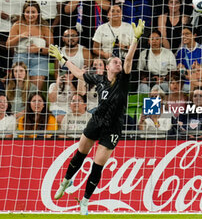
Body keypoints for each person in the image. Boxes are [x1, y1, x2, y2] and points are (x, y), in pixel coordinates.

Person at [49, 19, 144, 215]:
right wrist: (62, 59)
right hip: (96, 121)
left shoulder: (124, 80)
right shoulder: (99, 79)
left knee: (97, 166)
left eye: (119, 61)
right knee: (80, 154)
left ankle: (84, 201)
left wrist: (135, 39)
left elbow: (128, 60)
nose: (118, 62)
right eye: (114, 61)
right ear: (108, 67)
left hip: (113, 127)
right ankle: (66, 181)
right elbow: (78, 72)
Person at [6, 0, 54, 90]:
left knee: (34, 92)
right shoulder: (17, 25)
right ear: (23, 13)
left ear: (38, 13)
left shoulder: (44, 28)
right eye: (27, 12)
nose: (30, 15)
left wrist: (38, 50)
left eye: (33, 12)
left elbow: (52, 50)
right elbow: (8, 45)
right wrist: (20, 36)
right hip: (20, 59)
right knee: (19, 91)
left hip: (39, 60)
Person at [137, 29, 177, 94]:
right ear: (148, 41)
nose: (154, 41)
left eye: (157, 39)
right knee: (143, 87)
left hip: (165, 81)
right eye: (152, 39)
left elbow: (173, 73)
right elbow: (140, 72)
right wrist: (150, 79)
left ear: (161, 40)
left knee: (169, 87)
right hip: (149, 82)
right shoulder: (144, 54)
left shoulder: (168, 53)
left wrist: (163, 79)